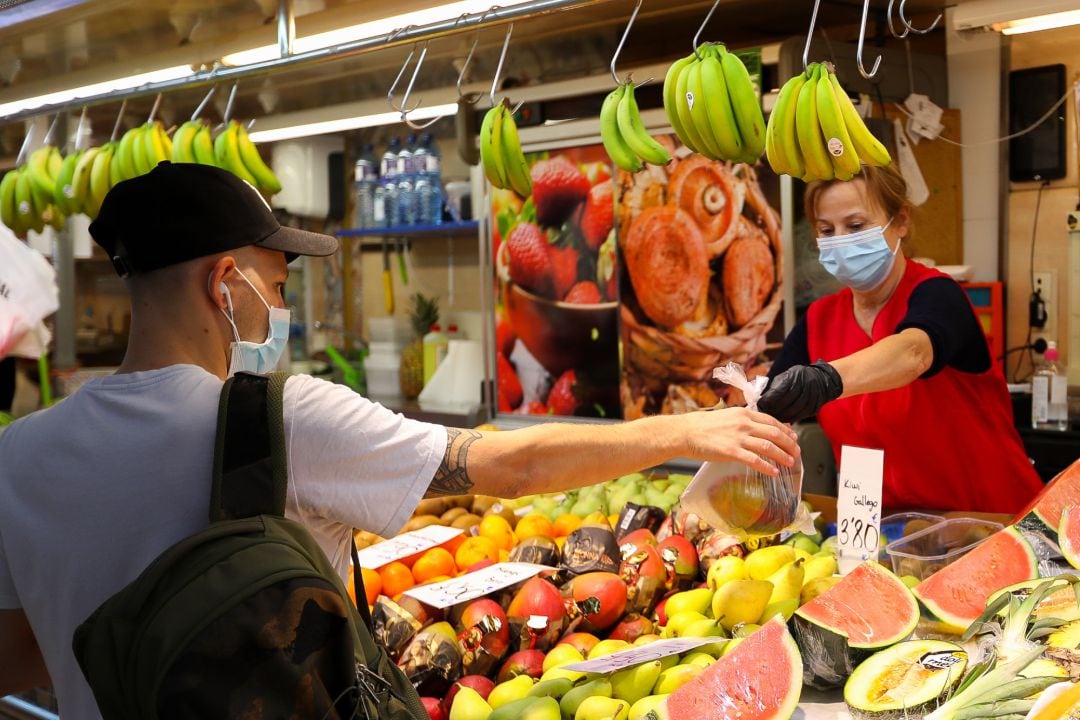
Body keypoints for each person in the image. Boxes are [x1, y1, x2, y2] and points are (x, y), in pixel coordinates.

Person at [0, 162, 800, 719]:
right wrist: (686, 428)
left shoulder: (19, 458)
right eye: (275, 287)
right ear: (223, 284)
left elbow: (19, 661)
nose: (279, 310)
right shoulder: (275, 418)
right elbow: (505, 463)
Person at [758, 164, 1042, 514]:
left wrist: (826, 379)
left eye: (856, 226)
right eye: (826, 230)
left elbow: (913, 353)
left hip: (989, 518)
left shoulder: (937, 294)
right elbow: (765, 403)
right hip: (886, 530)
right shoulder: (819, 319)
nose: (840, 241)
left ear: (901, 221)